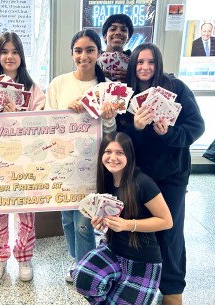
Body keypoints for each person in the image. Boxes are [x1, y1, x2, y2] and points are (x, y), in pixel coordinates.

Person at [117, 43, 205, 305]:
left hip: (171, 176)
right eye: (139, 62)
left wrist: (169, 133)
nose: (145, 67)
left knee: (170, 232)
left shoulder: (176, 89)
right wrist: (135, 127)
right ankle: (141, 287)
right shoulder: (126, 95)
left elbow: (196, 126)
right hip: (138, 177)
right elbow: (119, 140)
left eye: (151, 62)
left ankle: (172, 289)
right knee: (140, 233)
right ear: (132, 65)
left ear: (159, 64)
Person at [45, 29, 117, 283]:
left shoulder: (106, 88)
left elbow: (111, 134)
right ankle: (78, 262)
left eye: (90, 50)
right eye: (78, 50)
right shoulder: (58, 83)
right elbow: (47, 123)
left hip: (92, 164)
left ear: (99, 53)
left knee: (84, 222)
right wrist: (68, 112)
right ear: (72, 53)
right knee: (66, 218)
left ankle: (87, 271)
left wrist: (106, 118)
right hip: (62, 163)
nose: (83, 55)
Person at [73, 131, 173, 305]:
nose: (113, 157)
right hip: (113, 251)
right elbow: (110, 223)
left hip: (143, 261)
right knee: (82, 277)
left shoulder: (143, 183)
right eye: (108, 152)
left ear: (129, 156)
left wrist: (127, 225)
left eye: (120, 153)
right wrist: (101, 223)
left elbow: (166, 221)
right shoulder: (106, 182)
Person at [0, 32, 45, 282]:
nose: (9, 56)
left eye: (15, 51)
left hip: (25, 161)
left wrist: (20, 115)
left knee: (27, 210)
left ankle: (25, 257)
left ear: (21, 56)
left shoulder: (33, 88)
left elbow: (41, 126)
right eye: (4, 51)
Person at [101, 14, 134, 81]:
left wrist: (131, 77)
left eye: (124, 30)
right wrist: (95, 76)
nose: (118, 32)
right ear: (105, 36)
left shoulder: (134, 62)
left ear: (128, 38)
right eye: (113, 29)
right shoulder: (94, 60)